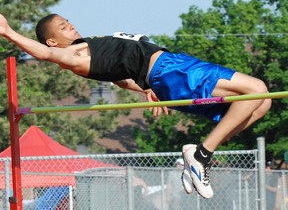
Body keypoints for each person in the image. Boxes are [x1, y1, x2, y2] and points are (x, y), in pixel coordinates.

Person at [0, 13, 272, 199]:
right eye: (62, 27)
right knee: (256, 89)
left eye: (68, 21)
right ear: (52, 40)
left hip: (168, 71)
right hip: (170, 70)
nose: (70, 26)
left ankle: (198, 153)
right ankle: (201, 156)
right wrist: (8, 32)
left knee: (261, 104)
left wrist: (145, 88)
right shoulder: (72, 54)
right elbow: (45, 54)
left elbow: (121, 78)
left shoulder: (89, 48)